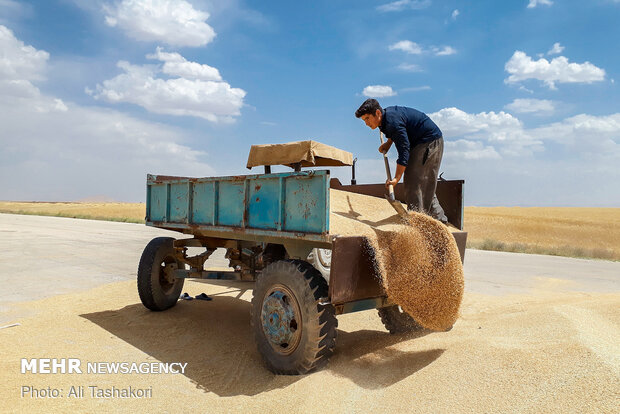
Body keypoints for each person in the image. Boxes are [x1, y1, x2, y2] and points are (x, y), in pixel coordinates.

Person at [355, 98, 447, 222]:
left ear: (377, 113)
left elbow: (404, 152)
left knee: (414, 182)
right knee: (423, 183)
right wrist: (388, 143)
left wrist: (396, 179)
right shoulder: (385, 120)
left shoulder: (392, 122)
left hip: (429, 142)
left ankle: (417, 222)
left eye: (367, 118)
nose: (366, 123)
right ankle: (440, 220)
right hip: (421, 142)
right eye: (363, 120)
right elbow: (398, 132)